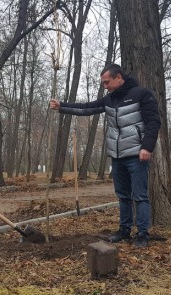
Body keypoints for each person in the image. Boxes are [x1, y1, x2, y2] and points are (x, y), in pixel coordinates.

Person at [49, 64, 160, 247]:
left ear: (119, 78)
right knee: (123, 196)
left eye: (107, 82)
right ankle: (124, 231)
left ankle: (142, 235)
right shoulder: (109, 100)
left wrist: (147, 147)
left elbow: (154, 122)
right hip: (117, 156)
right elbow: (86, 108)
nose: (105, 86)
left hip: (136, 155)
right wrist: (62, 106)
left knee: (140, 196)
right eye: (103, 83)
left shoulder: (141, 94)